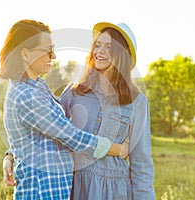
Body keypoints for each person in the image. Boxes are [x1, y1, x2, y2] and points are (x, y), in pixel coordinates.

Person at [0, 19, 129, 200]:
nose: (54, 56)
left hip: (54, 190)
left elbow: (42, 130)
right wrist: (116, 149)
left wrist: (11, 154)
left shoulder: (37, 87)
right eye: (47, 51)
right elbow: (70, 135)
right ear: (25, 54)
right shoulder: (26, 95)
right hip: (41, 191)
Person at [60, 22, 155, 199]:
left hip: (114, 190)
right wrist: (11, 155)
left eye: (109, 47)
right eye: (98, 45)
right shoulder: (75, 91)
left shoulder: (137, 102)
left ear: (122, 55)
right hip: (75, 184)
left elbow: (141, 163)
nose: (100, 51)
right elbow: (46, 125)